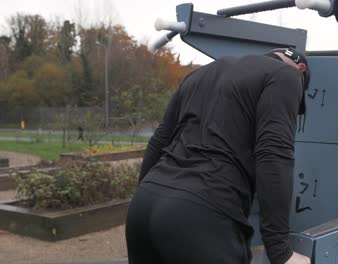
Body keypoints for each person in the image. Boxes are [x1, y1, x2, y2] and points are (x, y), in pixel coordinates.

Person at [126, 47, 311, 264]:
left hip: (143, 205)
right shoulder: (287, 76)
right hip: (199, 216)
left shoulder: (202, 73)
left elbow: (159, 141)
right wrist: (280, 251)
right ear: (300, 69)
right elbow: (273, 154)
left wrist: (149, 201)